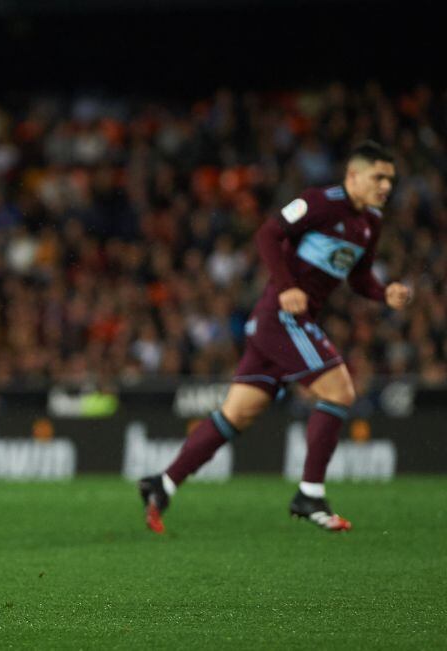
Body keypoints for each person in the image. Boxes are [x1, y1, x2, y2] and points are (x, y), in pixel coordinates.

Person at [138, 141, 411, 534]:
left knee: (236, 415)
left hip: (285, 323)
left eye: (390, 179)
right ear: (353, 176)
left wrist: (383, 292)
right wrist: (285, 287)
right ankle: (310, 494)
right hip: (282, 318)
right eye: (378, 177)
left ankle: (161, 484)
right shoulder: (320, 202)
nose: (385, 185)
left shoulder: (370, 223)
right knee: (339, 391)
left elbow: (359, 277)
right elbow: (267, 234)